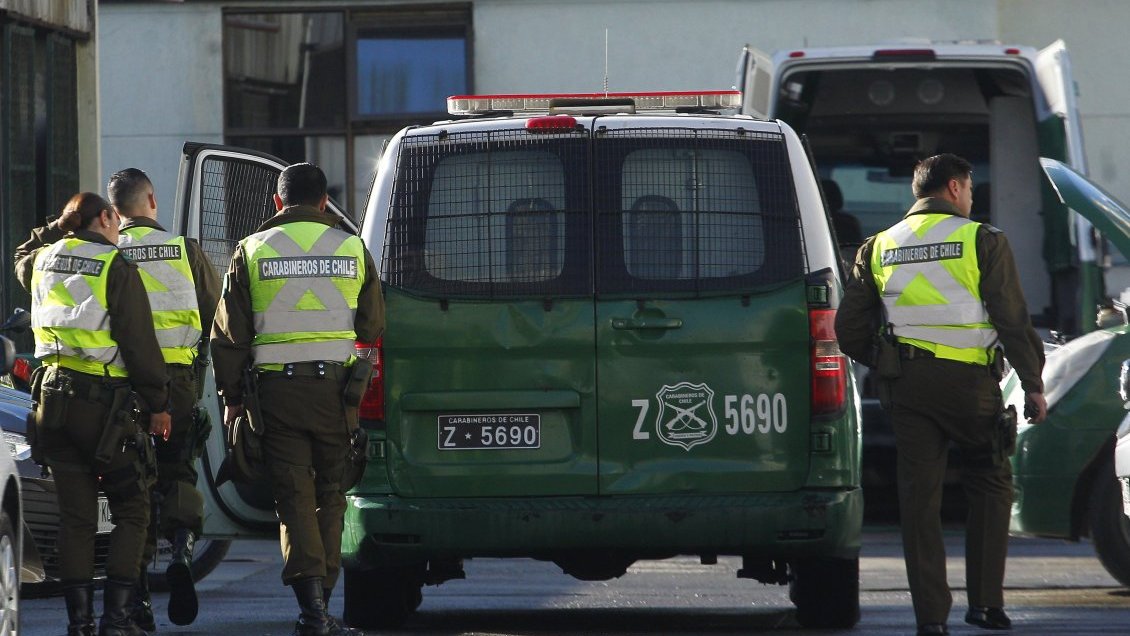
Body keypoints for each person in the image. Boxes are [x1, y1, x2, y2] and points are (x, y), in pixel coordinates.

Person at [834, 154, 1048, 636]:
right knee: (990, 481)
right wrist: (1033, 385)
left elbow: (848, 330)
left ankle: (930, 618)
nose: (971, 198)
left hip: (907, 388)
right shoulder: (982, 240)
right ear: (954, 187)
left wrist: (885, 360)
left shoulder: (878, 246)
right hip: (971, 386)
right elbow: (1012, 320)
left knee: (918, 500)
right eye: (969, 189)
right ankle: (986, 605)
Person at [211, 163, 384, 636]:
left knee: (294, 498)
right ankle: (321, 608)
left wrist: (231, 398)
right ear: (325, 202)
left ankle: (312, 612)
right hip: (336, 396)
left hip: (276, 396)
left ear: (277, 202)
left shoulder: (251, 249)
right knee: (331, 496)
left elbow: (228, 337)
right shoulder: (352, 247)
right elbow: (371, 326)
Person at [15, 193, 171, 636]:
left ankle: (79, 624)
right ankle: (115, 620)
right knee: (133, 508)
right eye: (115, 221)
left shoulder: (43, 260)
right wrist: (158, 404)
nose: (119, 229)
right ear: (104, 217)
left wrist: (59, 224)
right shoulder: (114, 265)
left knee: (76, 517)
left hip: (51, 402)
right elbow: (139, 343)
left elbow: (22, 253)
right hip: (102, 406)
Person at [108, 168, 221, 629]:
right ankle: (181, 552)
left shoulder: (109, 253)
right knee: (179, 473)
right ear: (152, 200)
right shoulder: (184, 250)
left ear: (114, 211)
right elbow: (216, 313)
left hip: (125, 387)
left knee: (133, 491)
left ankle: (138, 600)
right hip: (178, 385)